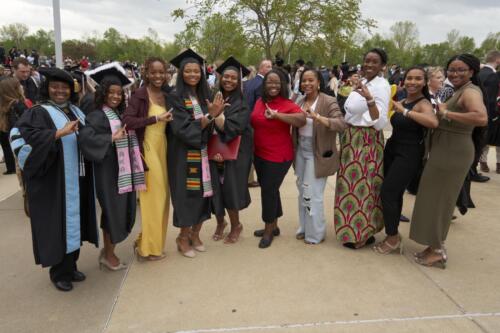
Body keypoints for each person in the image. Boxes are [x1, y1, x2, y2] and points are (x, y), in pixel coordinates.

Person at [9, 67, 98, 291]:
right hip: (54, 180)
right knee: (58, 224)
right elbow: (19, 136)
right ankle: (58, 272)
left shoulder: (76, 111)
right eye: (55, 87)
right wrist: (56, 134)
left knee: (75, 222)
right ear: (47, 89)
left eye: (64, 87)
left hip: (77, 177)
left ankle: (71, 265)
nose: (60, 91)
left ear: (71, 90)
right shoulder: (39, 112)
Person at [410, 54, 488, 268]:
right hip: (446, 150)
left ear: (471, 72)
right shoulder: (461, 90)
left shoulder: (470, 92)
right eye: (451, 70)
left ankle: (437, 252)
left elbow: (481, 118)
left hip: (453, 152)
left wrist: (447, 113)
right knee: (433, 199)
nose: (454, 73)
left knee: (440, 201)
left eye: (460, 69)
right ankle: (434, 245)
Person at [79, 63, 141, 270]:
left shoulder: (118, 114)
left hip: (122, 169)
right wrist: (110, 139)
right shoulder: (96, 114)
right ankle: (109, 255)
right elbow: (86, 139)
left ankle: (108, 251)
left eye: (119, 93)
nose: (116, 96)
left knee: (118, 210)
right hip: (108, 172)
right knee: (112, 211)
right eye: (111, 93)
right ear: (103, 93)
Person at [373, 67, 438, 254]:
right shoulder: (402, 100)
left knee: (388, 192)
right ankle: (392, 234)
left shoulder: (422, 103)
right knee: (393, 194)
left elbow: (433, 122)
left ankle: (392, 237)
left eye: (418, 79)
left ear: (424, 82)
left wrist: (405, 112)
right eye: (409, 78)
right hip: (392, 149)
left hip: (409, 154)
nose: (413, 82)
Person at [167, 49, 224, 258]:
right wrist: (210, 115)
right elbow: (182, 128)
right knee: (186, 195)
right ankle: (182, 237)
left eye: (196, 71)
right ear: (181, 73)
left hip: (203, 151)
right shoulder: (174, 97)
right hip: (183, 153)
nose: (193, 74)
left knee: (205, 193)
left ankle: (195, 233)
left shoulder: (204, 95)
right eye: (188, 71)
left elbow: (213, 122)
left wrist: (215, 117)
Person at [334, 48, 391, 249]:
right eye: (366, 61)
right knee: (348, 185)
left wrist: (369, 99)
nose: (368, 65)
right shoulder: (364, 82)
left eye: (374, 62)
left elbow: (380, 121)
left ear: (383, 65)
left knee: (363, 187)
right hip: (351, 137)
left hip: (366, 140)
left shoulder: (381, 86)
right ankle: (352, 230)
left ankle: (362, 233)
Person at [123, 57, 173, 261]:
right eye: (154, 72)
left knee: (163, 199)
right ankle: (148, 249)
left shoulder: (169, 94)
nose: (158, 76)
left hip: (164, 148)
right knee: (154, 198)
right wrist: (154, 119)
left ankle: (149, 241)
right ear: (146, 73)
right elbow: (127, 121)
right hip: (148, 147)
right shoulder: (140, 94)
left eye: (162, 72)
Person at [251, 69, 306, 248]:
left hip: (278, 156)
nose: (273, 86)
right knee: (271, 190)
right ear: (264, 84)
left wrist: (278, 115)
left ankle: (268, 230)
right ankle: (274, 226)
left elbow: (301, 119)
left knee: (268, 191)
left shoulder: (287, 103)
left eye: (277, 83)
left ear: (283, 85)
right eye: (269, 82)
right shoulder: (260, 101)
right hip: (259, 153)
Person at [293, 69, 346, 244]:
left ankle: (315, 233)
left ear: (318, 82)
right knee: (302, 191)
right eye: (303, 81)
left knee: (313, 193)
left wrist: (318, 117)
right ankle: (304, 227)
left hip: (317, 153)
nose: (306, 84)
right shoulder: (300, 100)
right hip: (301, 150)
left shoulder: (328, 100)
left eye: (310, 80)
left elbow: (340, 124)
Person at [209, 57, 253, 244]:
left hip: (233, 153)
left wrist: (217, 115)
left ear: (239, 80)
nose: (229, 80)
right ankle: (221, 223)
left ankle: (236, 225)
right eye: (226, 76)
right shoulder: (213, 96)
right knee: (214, 189)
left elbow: (235, 128)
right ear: (220, 77)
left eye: (233, 78)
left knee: (230, 189)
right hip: (212, 150)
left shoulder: (242, 102)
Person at [244, 59, 273, 187]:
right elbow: (261, 106)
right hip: (255, 122)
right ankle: (253, 178)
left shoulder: (249, 82)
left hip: (246, 120)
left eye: (271, 66)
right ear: (261, 69)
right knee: (256, 151)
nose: (270, 69)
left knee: (249, 150)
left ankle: (248, 177)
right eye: (268, 67)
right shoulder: (262, 84)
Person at [0, 77, 29, 175]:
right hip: (25, 149)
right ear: (14, 89)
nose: (22, 86)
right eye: (18, 85)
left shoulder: (6, 105)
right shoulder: (18, 105)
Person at [479, 50, 500, 173]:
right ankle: (494, 164)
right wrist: (493, 115)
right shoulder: (493, 76)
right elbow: (491, 98)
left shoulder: (479, 73)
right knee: (490, 138)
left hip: (479, 111)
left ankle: (482, 162)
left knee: (484, 140)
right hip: (491, 113)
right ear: (497, 60)